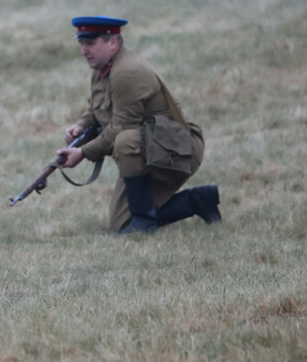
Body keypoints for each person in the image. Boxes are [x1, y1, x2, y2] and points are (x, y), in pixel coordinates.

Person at [56, 16, 221, 235]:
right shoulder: (102, 68)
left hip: (178, 149)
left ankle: (144, 221)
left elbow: (120, 128)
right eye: (82, 44)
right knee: (120, 227)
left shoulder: (127, 72)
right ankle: (199, 200)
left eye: (90, 44)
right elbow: (97, 108)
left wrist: (83, 152)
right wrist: (81, 125)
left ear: (112, 43)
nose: (83, 51)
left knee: (125, 139)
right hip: (150, 149)